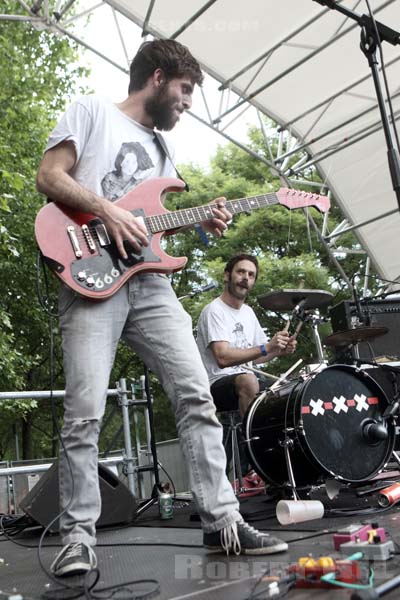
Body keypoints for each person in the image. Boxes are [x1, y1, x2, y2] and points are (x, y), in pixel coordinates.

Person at [36, 40, 289, 578]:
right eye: (185, 89)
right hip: (88, 280)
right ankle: (77, 539)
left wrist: (200, 224)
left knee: (198, 392)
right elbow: (49, 178)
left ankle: (222, 522)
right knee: (84, 414)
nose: (189, 102)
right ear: (156, 77)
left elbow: (154, 224)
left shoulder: (163, 151)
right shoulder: (91, 112)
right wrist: (106, 210)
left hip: (149, 285)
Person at [197, 254, 297, 457]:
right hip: (215, 384)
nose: (246, 278)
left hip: (247, 380)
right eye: (241, 272)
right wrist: (267, 347)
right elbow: (222, 358)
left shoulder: (249, 313)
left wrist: (279, 349)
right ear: (227, 276)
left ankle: (284, 456)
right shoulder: (214, 311)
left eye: (251, 275)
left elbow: (258, 357)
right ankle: (254, 450)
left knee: (291, 389)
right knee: (250, 381)